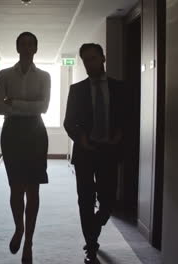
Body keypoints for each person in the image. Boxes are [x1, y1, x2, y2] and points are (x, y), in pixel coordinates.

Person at [63, 43, 127, 264]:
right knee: (85, 200)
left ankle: (95, 224)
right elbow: (69, 122)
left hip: (109, 150)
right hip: (86, 151)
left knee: (108, 201)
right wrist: (81, 139)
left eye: (93, 58)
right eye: (86, 60)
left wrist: (118, 136)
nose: (89, 63)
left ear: (103, 59)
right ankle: (91, 244)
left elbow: (127, 118)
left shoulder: (119, 88)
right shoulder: (77, 89)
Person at [0, 32, 50, 263]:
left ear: (36, 48)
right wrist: (29, 106)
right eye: (23, 44)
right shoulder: (5, 74)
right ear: (17, 47)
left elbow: (44, 107)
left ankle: (29, 242)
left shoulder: (45, 76)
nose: (26, 48)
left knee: (33, 190)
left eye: (30, 44)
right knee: (16, 188)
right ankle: (19, 228)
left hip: (36, 133)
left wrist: (13, 103)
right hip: (12, 133)